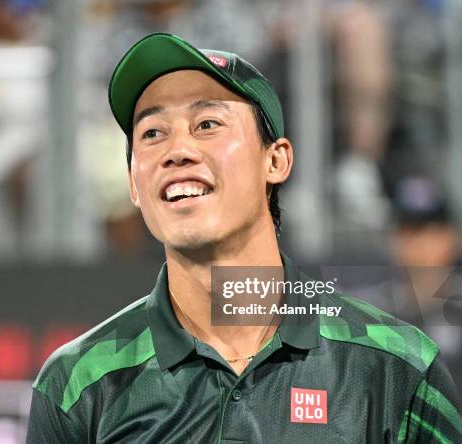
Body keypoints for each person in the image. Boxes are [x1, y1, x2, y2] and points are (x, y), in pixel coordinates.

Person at [27, 33, 461, 442]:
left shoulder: (395, 366)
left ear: (276, 161)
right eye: (153, 133)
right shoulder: (78, 383)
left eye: (208, 123)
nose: (177, 151)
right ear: (134, 185)